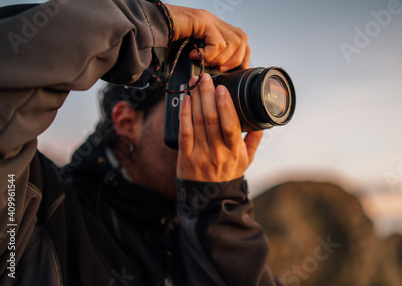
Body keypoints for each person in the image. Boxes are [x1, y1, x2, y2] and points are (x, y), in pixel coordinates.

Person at [0, 0, 280, 285]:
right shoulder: (32, 209)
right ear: (126, 122)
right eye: (196, 100)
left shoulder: (199, 232)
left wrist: (217, 212)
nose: (214, 122)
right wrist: (151, 25)